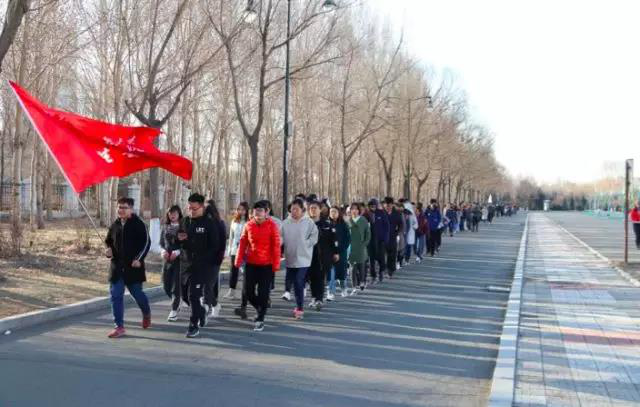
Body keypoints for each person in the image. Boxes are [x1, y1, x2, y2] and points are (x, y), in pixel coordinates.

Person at [104, 197, 151, 338]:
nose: (121, 210)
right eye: (119, 207)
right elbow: (108, 241)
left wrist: (139, 259)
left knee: (137, 295)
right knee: (115, 295)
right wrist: (108, 250)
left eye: (124, 207)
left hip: (133, 267)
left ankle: (146, 313)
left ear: (131, 209)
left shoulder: (139, 224)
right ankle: (119, 326)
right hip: (117, 267)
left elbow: (146, 243)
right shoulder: (115, 224)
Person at [178, 193, 222, 338]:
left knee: (194, 296)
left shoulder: (209, 223)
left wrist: (206, 260)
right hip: (185, 264)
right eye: (189, 208)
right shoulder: (184, 221)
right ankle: (201, 312)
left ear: (202, 207)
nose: (191, 211)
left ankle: (193, 325)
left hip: (202, 266)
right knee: (185, 296)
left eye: (194, 209)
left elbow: (215, 246)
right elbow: (178, 240)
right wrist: (178, 240)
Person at [234, 200, 281, 331]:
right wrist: (238, 260)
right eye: (255, 211)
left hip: (266, 265)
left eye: (260, 211)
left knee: (263, 293)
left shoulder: (272, 226)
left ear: (266, 212)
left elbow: (276, 246)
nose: (258, 213)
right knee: (248, 292)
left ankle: (260, 319)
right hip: (251, 264)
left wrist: (276, 264)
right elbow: (243, 243)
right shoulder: (248, 225)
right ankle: (260, 309)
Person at [281, 199, 318, 319]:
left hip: (304, 258)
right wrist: (279, 246)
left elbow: (314, 236)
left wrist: (307, 243)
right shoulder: (285, 223)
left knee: (298, 281)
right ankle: (298, 305)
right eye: (292, 209)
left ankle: (300, 308)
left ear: (302, 210)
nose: (294, 211)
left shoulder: (308, 222)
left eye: (296, 209)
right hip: (290, 257)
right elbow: (279, 237)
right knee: (294, 282)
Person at [307, 200, 338, 310]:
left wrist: (336, 252)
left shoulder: (326, 224)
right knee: (311, 278)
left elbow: (334, 240)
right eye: (311, 208)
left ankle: (319, 299)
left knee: (320, 277)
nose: (313, 210)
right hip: (308, 256)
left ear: (320, 210)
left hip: (323, 256)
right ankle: (314, 297)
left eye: (315, 208)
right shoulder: (305, 224)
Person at [203, 200, 227, 318]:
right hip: (202, 259)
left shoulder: (220, 224)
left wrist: (219, 257)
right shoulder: (200, 223)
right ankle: (215, 305)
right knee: (204, 285)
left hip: (214, 259)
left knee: (208, 285)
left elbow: (223, 243)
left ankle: (205, 309)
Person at [160, 205, 183, 322]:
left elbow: (187, 244)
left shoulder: (184, 227)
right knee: (166, 286)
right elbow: (161, 242)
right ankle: (178, 300)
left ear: (179, 214)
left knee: (176, 286)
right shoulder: (165, 227)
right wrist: (163, 251)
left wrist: (178, 252)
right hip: (167, 260)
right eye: (170, 213)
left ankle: (174, 310)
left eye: (174, 213)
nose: (172, 215)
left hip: (179, 261)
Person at [224, 202, 249, 300]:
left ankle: (247, 292)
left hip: (245, 250)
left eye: (243, 209)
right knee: (233, 270)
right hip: (235, 249)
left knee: (246, 271)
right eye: (239, 209)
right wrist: (229, 249)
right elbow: (231, 236)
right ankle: (231, 291)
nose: (240, 211)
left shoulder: (249, 222)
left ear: (246, 210)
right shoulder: (234, 221)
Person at [328, 206, 351, 300]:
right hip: (330, 253)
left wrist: (341, 250)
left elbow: (348, 239)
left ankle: (343, 289)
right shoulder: (327, 224)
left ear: (338, 213)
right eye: (331, 212)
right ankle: (331, 292)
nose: (333, 214)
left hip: (341, 252)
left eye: (335, 212)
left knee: (342, 272)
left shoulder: (343, 224)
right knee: (331, 273)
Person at [347, 203, 371, 294]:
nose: (354, 211)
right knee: (352, 267)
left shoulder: (363, 220)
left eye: (356, 209)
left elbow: (368, 233)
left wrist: (365, 243)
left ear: (359, 210)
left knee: (361, 266)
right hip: (351, 247)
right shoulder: (348, 221)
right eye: (352, 209)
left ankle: (362, 281)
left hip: (361, 246)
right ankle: (354, 286)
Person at [365, 198, 389, 284]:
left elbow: (386, 226)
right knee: (371, 259)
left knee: (381, 257)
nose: (373, 208)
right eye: (371, 206)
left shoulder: (381, 213)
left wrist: (385, 238)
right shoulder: (366, 215)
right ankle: (373, 276)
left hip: (380, 240)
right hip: (370, 240)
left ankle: (381, 272)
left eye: (374, 206)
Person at [383, 197, 403, 278]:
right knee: (383, 255)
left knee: (392, 255)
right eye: (386, 205)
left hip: (392, 237)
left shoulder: (396, 214)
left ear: (392, 205)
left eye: (389, 205)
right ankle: (385, 269)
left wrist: (397, 233)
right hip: (383, 238)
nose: (388, 207)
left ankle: (390, 270)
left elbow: (401, 225)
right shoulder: (381, 213)